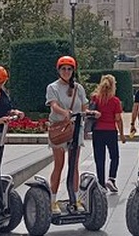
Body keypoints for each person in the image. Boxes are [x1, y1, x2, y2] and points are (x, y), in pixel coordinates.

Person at [45, 55, 99, 214]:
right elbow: (53, 105)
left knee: (74, 165)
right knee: (59, 165)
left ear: (73, 71)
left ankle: (75, 199)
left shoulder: (78, 88)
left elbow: (83, 108)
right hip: (60, 129)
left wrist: (91, 113)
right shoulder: (52, 87)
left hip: (76, 129)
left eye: (69, 69)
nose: (66, 71)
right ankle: (53, 200)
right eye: (63, 69)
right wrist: (64, 112)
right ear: (59, 70)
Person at [90, 74, 126, 193]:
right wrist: (121, 134)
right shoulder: (115, 101)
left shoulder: (95, 98)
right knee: (114, 156)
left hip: (97, 130)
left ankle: (101, 183)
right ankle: (111, 178)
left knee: (99, 158)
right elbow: (118, 119)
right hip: (110, 131)